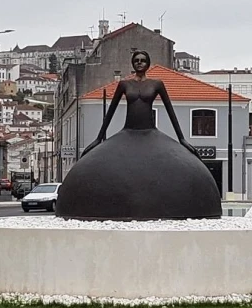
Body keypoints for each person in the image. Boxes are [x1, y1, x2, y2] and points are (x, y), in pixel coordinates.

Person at [59, 50, 221, 221]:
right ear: (132, 63)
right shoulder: (124, 85)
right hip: (129, 129)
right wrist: (99, 139)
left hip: (149, 130)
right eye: (136, 60)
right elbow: (111, 111)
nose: (139, 63)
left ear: (148, 63)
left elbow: (170, 110)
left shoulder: (156, 84)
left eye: (143, 60)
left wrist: (182, 140)